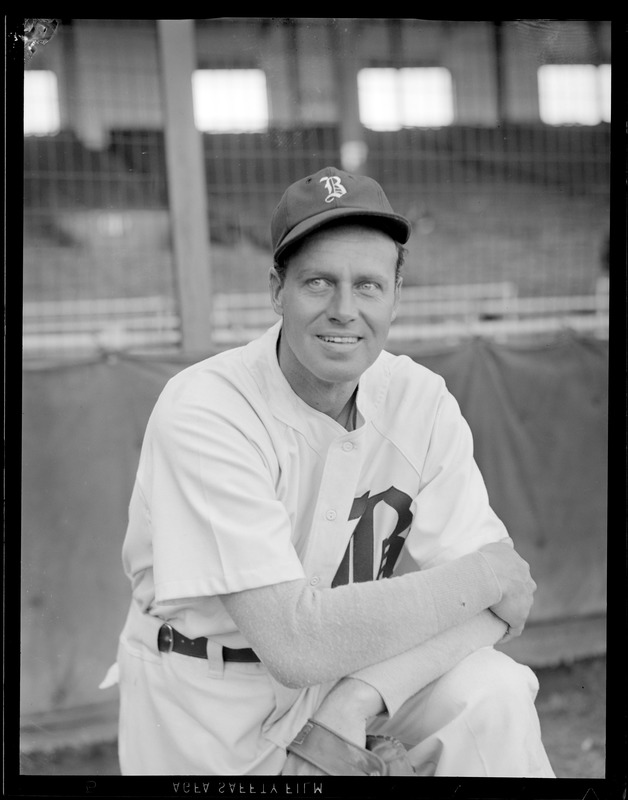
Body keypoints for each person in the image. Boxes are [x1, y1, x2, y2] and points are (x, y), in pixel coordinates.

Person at [115, 166, 555, 777]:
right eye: (318, 282)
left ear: (397, 294)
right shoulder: (206, 409)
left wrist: (359, 699)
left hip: (350, 675)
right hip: (205, 694)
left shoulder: (419, 400)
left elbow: (509, 602)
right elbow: (294, 643)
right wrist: (483, 575)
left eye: (368, 286)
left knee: (492, 693)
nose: (344, 309)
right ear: (277, 290)